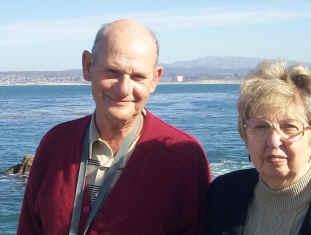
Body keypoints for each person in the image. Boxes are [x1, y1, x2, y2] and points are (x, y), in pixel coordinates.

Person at [17, 19, 210, 235]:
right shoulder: (55, 143)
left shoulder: (184, 156)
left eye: (138, 76)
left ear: (155, 79)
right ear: (88, 66)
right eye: (112, 72)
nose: (124, 89)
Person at [205, 61, 311, 235]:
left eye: (289, 127)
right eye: (261, 127)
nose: (273, 141)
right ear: (245, 136)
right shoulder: (224, 193)